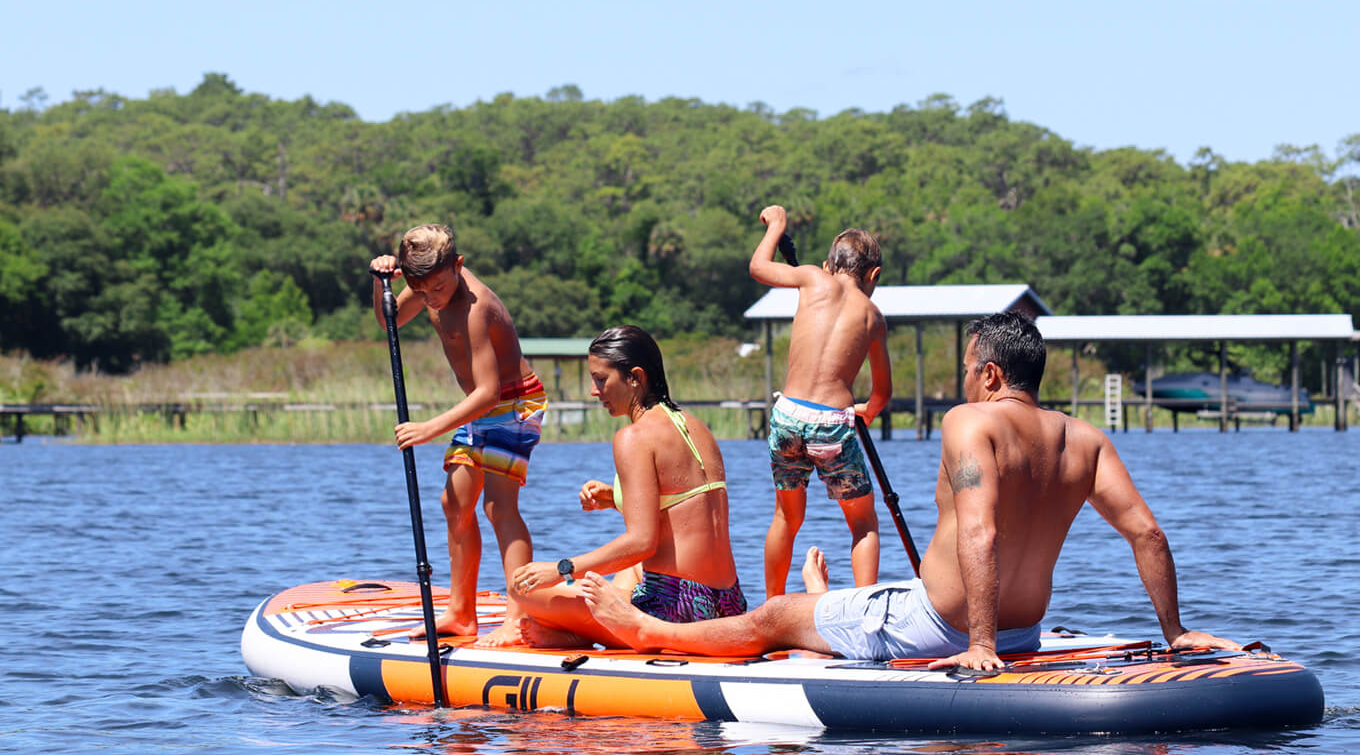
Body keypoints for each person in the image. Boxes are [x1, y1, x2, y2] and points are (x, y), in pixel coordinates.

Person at [579, 311, 1239, 669]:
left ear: (988, 372)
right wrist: (1174, 631)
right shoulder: (1086, 439)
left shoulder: (969, 422)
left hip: (941, 627)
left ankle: (643, 629)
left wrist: (977, 644)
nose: (960, 383)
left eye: (964, 370)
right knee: (849, 603)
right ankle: (828, 607)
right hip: (1025, 633)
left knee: (772, 618)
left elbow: (981, 531)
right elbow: (1147, 532)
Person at [508, 325, 746, 648]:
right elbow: (685, 506)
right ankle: (586, 630)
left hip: (677, 612)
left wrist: (561, 569)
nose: (594, 391)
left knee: (524, 590)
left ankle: (581, 635)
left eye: (601, 379)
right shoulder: (697, 427)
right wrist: (614, 496)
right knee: (633, 570)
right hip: (729, 604)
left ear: (635, 377)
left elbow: (642, 542)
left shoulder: (632, 438)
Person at [369, 223, 547, 647]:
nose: (431, 298)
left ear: (458, 265)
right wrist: (381, 283)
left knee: (498, 508)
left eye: (437, 288)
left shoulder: (475, 305)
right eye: (421, 290)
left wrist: (430, 428)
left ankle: (518, 619)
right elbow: (388, 320)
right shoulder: (428, 282)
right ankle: (461, 614)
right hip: (480, 408)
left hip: (514, 403)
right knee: (455, 505)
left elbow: (489, 392)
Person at [750, 205, 892, 598]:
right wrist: (868, 410)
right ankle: (865, 611)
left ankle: (772, 609)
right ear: (873, 275)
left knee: (786, 518)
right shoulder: (873, 317)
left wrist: (776, 227)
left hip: (788, 416)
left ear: (829, 265)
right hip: (832, 424)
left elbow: (759, 267)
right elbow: (882, 394)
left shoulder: (811, 278)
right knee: (863, 524)